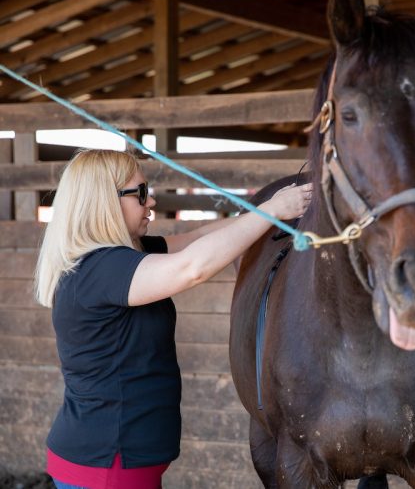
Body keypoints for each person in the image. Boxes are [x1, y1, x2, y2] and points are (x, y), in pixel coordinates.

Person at [34, 149, 312, 489]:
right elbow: (192, 267)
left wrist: (264, 212)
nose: (150, 201)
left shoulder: (130, 254)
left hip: (118, 460)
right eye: (139, 193)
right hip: (107, 465)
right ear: (105, 201)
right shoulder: (101, 269)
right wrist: (273, 210)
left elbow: (198, 240)